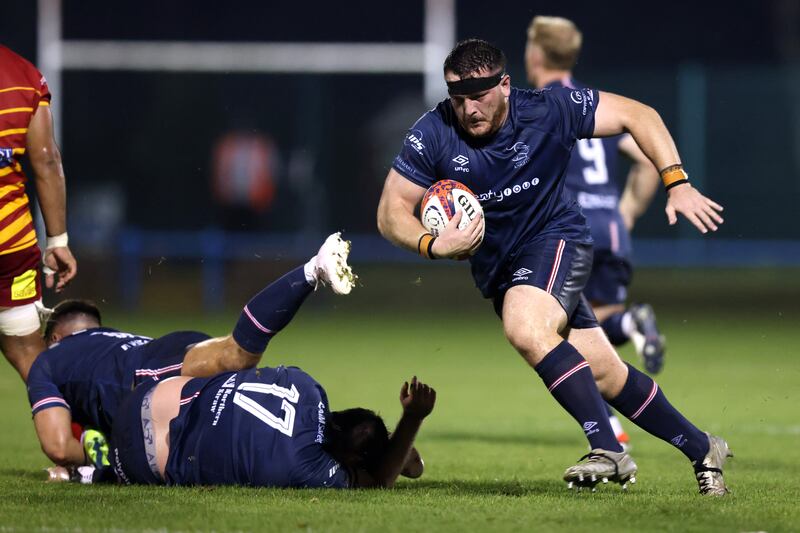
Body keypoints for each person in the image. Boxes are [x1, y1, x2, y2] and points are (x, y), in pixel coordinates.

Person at [377, 39, 731, 495]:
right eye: (458, 98)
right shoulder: (434, 131)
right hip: (502, 271)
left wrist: (676, 182)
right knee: (604, 373)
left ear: (505, 85)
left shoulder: (550, 110)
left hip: (557, 239)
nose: (468, 109)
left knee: (524, 326)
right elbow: (390, 211)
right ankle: (703, 448)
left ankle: (607, 449)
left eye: (479, 95)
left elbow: (638, 114)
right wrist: (432, 244)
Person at [27, 232, 356, 468]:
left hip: (151, 375)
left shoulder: (49, 359)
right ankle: (360, 448)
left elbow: (57, 447)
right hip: (170, 348)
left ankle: (312, 269)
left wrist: (90, 459)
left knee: (236, 355)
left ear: (55, 336)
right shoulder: (106, 340)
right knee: (255, 409)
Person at [524, 15, 665, 450]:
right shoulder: (594, 101)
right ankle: (630, 323)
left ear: (535, 54)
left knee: (558, 333)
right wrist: (626, 211)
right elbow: (644, 156)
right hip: (611, 227)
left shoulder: (541, 105)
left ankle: (609, 434)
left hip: (570, 230)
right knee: (598, 332)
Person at [49, 371, 434, 489]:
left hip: (143, 397)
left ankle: (89, 458)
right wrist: (413, 418)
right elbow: (390, 476)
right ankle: (94, 472)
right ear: (351, 460)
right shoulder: (310, 469)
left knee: (208, 385)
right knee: (191, 460)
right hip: (140, 458)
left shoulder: (307, 384)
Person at [0, 45, 77, 382]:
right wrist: (57, 240)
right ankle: (74, 434)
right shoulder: (22, 75)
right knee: (31, 355)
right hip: (10, 246)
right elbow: (47, 160)